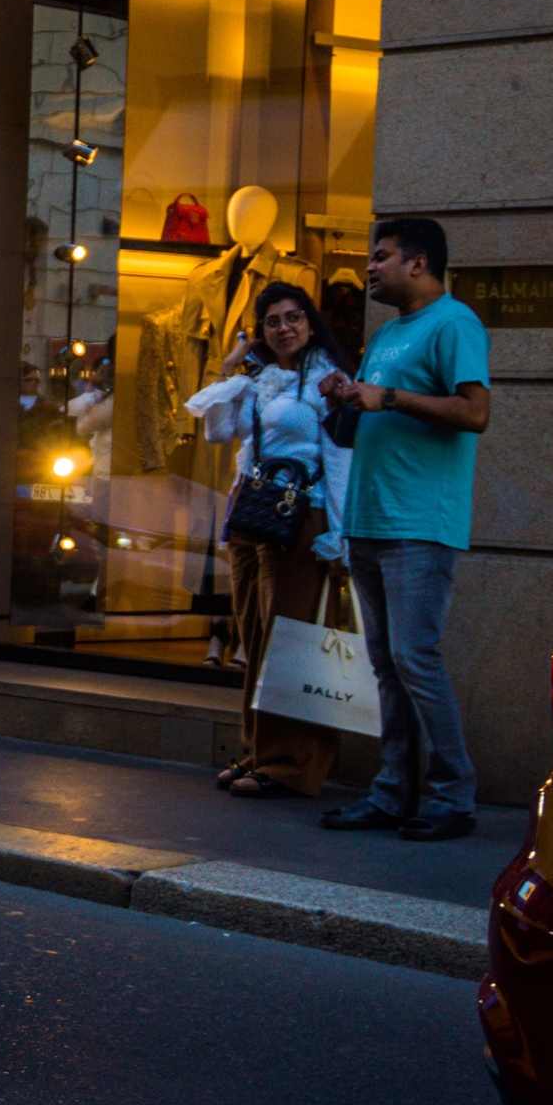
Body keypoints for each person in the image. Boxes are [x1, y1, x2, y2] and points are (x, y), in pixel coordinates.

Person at [317, 216, 491, 842]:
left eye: (381, 256)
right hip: (369, 520)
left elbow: (474, 412)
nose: (370, 267)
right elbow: (369, 411)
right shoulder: (387, 333)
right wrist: (347, 395)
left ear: (418, 263)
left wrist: (387, 397)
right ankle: (394, 792)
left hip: (420, 522)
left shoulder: (455, 322)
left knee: (415, 658)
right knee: (387, 665)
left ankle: (453, 796)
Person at [186, 281, 353, 798]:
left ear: (311, 322)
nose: (285, 328)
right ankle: (262, 750)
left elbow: (343, 460)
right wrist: (228, 367)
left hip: (303, 516)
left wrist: (339, 537)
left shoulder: (329, 378)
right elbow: (217, 432)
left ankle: (293, 763)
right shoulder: (263, 379)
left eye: (293, 317)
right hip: (252, 514)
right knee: (255, 637)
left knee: (291, 639)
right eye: (273, 321)